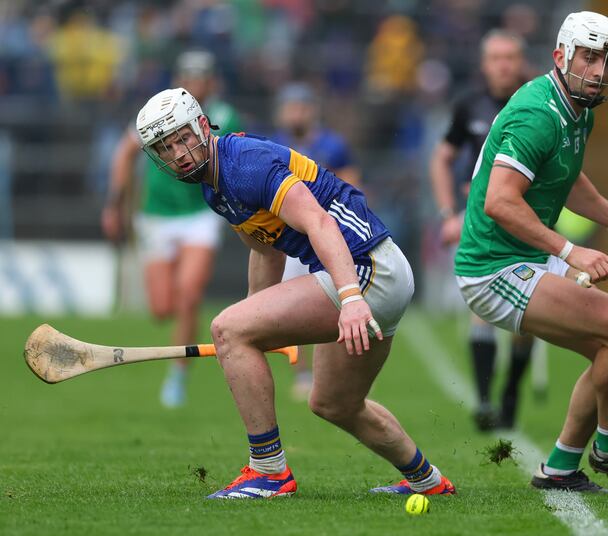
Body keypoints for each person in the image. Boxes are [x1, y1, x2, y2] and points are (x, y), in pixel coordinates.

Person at [134, 87, 456, 499]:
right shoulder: (214, 185)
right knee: (334, 403)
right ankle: (428, 481)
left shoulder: (244, 165)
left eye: (182, 138)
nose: (178, 153)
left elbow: (320, 222)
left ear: (202, 126)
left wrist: (351, 298)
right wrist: (256, 324)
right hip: (374, 272)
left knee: (228, 328)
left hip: (366, 269)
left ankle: (269, 471)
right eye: (165, 147)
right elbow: (265, 249)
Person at [454, 11, 608, 492]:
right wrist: (570, 250)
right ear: (561, 55)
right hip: (494, 267)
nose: (600, 71)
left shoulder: (577, 109)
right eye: (589, 57)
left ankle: (560, 468)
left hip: (525, 258)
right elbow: (500, 201)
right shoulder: (538, 114)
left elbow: (567, 179)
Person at [101, 50, 242, 408]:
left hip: (200, 214)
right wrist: (114, 204)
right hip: (157, 214)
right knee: (162, 307)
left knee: (189, 293)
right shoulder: (156, 112)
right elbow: (124, 153)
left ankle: (178, 374)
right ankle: (180, 332)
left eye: (202, 77)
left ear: (211, 81)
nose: (196, 83)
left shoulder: (223, 115)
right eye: (189, 76)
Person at [430, 29, 534, 430]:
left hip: (528, 219)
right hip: (483, 221)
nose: (503, 65)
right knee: (483, 309)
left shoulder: (537, 102)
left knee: (528, 320)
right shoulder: (469, 105)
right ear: (484, 64)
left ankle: (511, 391)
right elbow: (442, 158)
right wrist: (448, 214)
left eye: (510, 57)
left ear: (521, 61)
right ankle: (486, 400)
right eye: (496, 58)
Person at [270, 82, 361, 401]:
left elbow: (352, 184)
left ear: (312, 111)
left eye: (301, 107)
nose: (295, 114)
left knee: (336, 303)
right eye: (290, 107)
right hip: (290, 237)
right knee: (293, 310)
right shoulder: (273, 145)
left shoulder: (332, 145)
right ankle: (303, 373)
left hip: (327, 233)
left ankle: (336, 374)